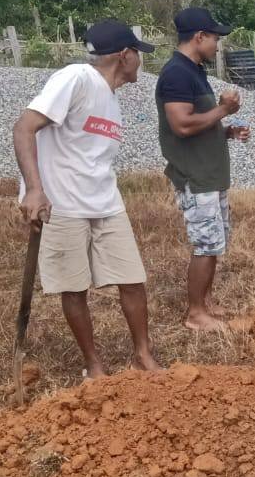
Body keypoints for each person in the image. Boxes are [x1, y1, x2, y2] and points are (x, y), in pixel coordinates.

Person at [12, 19, 161, 378]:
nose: (141, 62)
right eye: (138, 54)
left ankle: (143, 355)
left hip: (105, 201)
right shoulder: (76, 77)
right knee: (74, 286)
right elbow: (24, 127)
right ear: (124, 55)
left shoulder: (109, 97)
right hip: (63, 205)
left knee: (132, 278)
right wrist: (34, 189)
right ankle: (94, 366)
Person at [155, 6, 250, 332]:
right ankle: (196, 313)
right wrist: (224, 109)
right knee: (206, 244)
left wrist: (225, 129)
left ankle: (205, 303)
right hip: (196, 176)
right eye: (214, 38)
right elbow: (181, 125)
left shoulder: (193, 71)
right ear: (199, 37)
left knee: (215, 240)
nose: (217, 45)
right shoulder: (177, 74)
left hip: (209, 172)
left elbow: (198, 122)